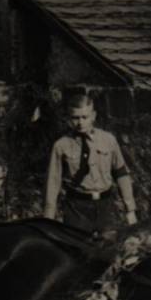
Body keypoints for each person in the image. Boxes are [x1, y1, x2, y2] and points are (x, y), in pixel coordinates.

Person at [43, 93, 138, 233]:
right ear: (68, 118)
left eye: (84, 117)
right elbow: (53, 182)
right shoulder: (61, 145)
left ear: (93, 116)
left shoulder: (108, 140)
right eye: (75, 118)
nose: (80, 122)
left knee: (111, 244)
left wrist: (130, 209)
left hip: (106, 207)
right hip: (76, 208)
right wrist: (48, 218)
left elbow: (121, 173)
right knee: (77, 245)